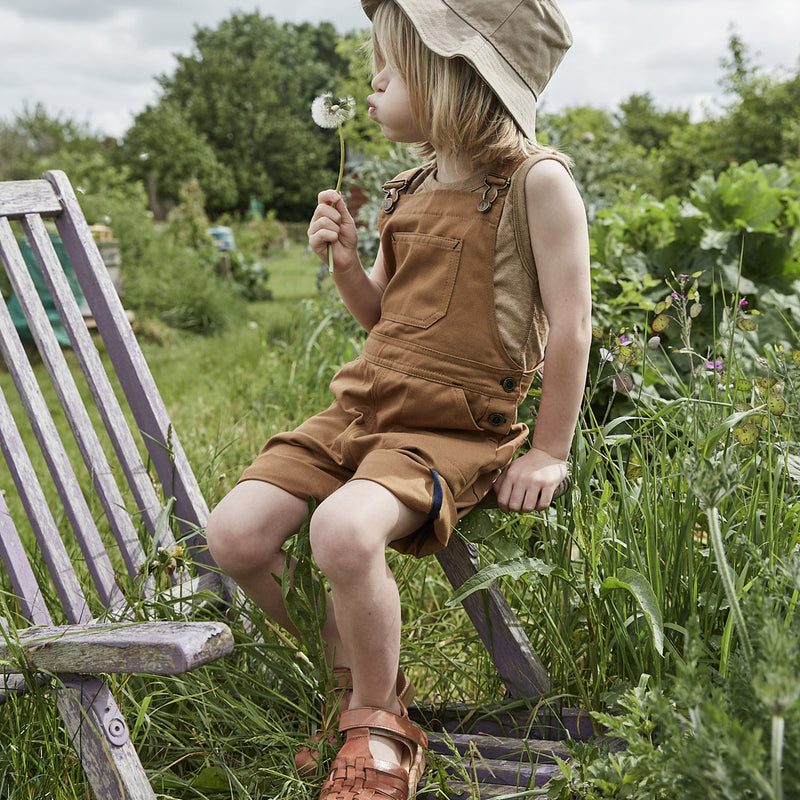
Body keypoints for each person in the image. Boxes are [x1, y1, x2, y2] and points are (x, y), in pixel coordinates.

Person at [205, 0, 591, 797]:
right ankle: (354, 680)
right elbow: (385, 317)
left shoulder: (535, 183)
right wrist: (349, 266)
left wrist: (550, 449)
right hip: (364, 408)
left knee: (345, 532)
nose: (373, 83)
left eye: (388, 66)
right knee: (236, 536)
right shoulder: (408, 188)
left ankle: (378, 719)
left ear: (457, 76)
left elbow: (574, 325)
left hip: (451, 425)